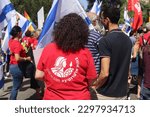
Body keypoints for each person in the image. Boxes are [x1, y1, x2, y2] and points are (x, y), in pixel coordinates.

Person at [35, 13, 97, 100]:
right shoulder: (85, 52)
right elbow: (92, 79)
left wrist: (53, 80)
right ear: (82, 33)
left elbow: (38, 75)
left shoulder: (48, 49)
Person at [94, 6, 132, 100]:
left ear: (107, 20)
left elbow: (104, 73)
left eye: (102, 19)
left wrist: (95, 86)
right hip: (122, 93)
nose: (102, 21)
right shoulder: (128, 39)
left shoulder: (105, 41)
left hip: (106, 94)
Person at [8, 26, 32, 100]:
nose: (22, 32)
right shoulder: (17, 44)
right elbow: (17, 58)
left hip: (12, 66)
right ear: (18, 33)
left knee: (16, 85)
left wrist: (17, 22)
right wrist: (26, 58)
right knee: (16, 87)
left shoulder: (11, 40)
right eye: (21, 31)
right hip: (16, 66)